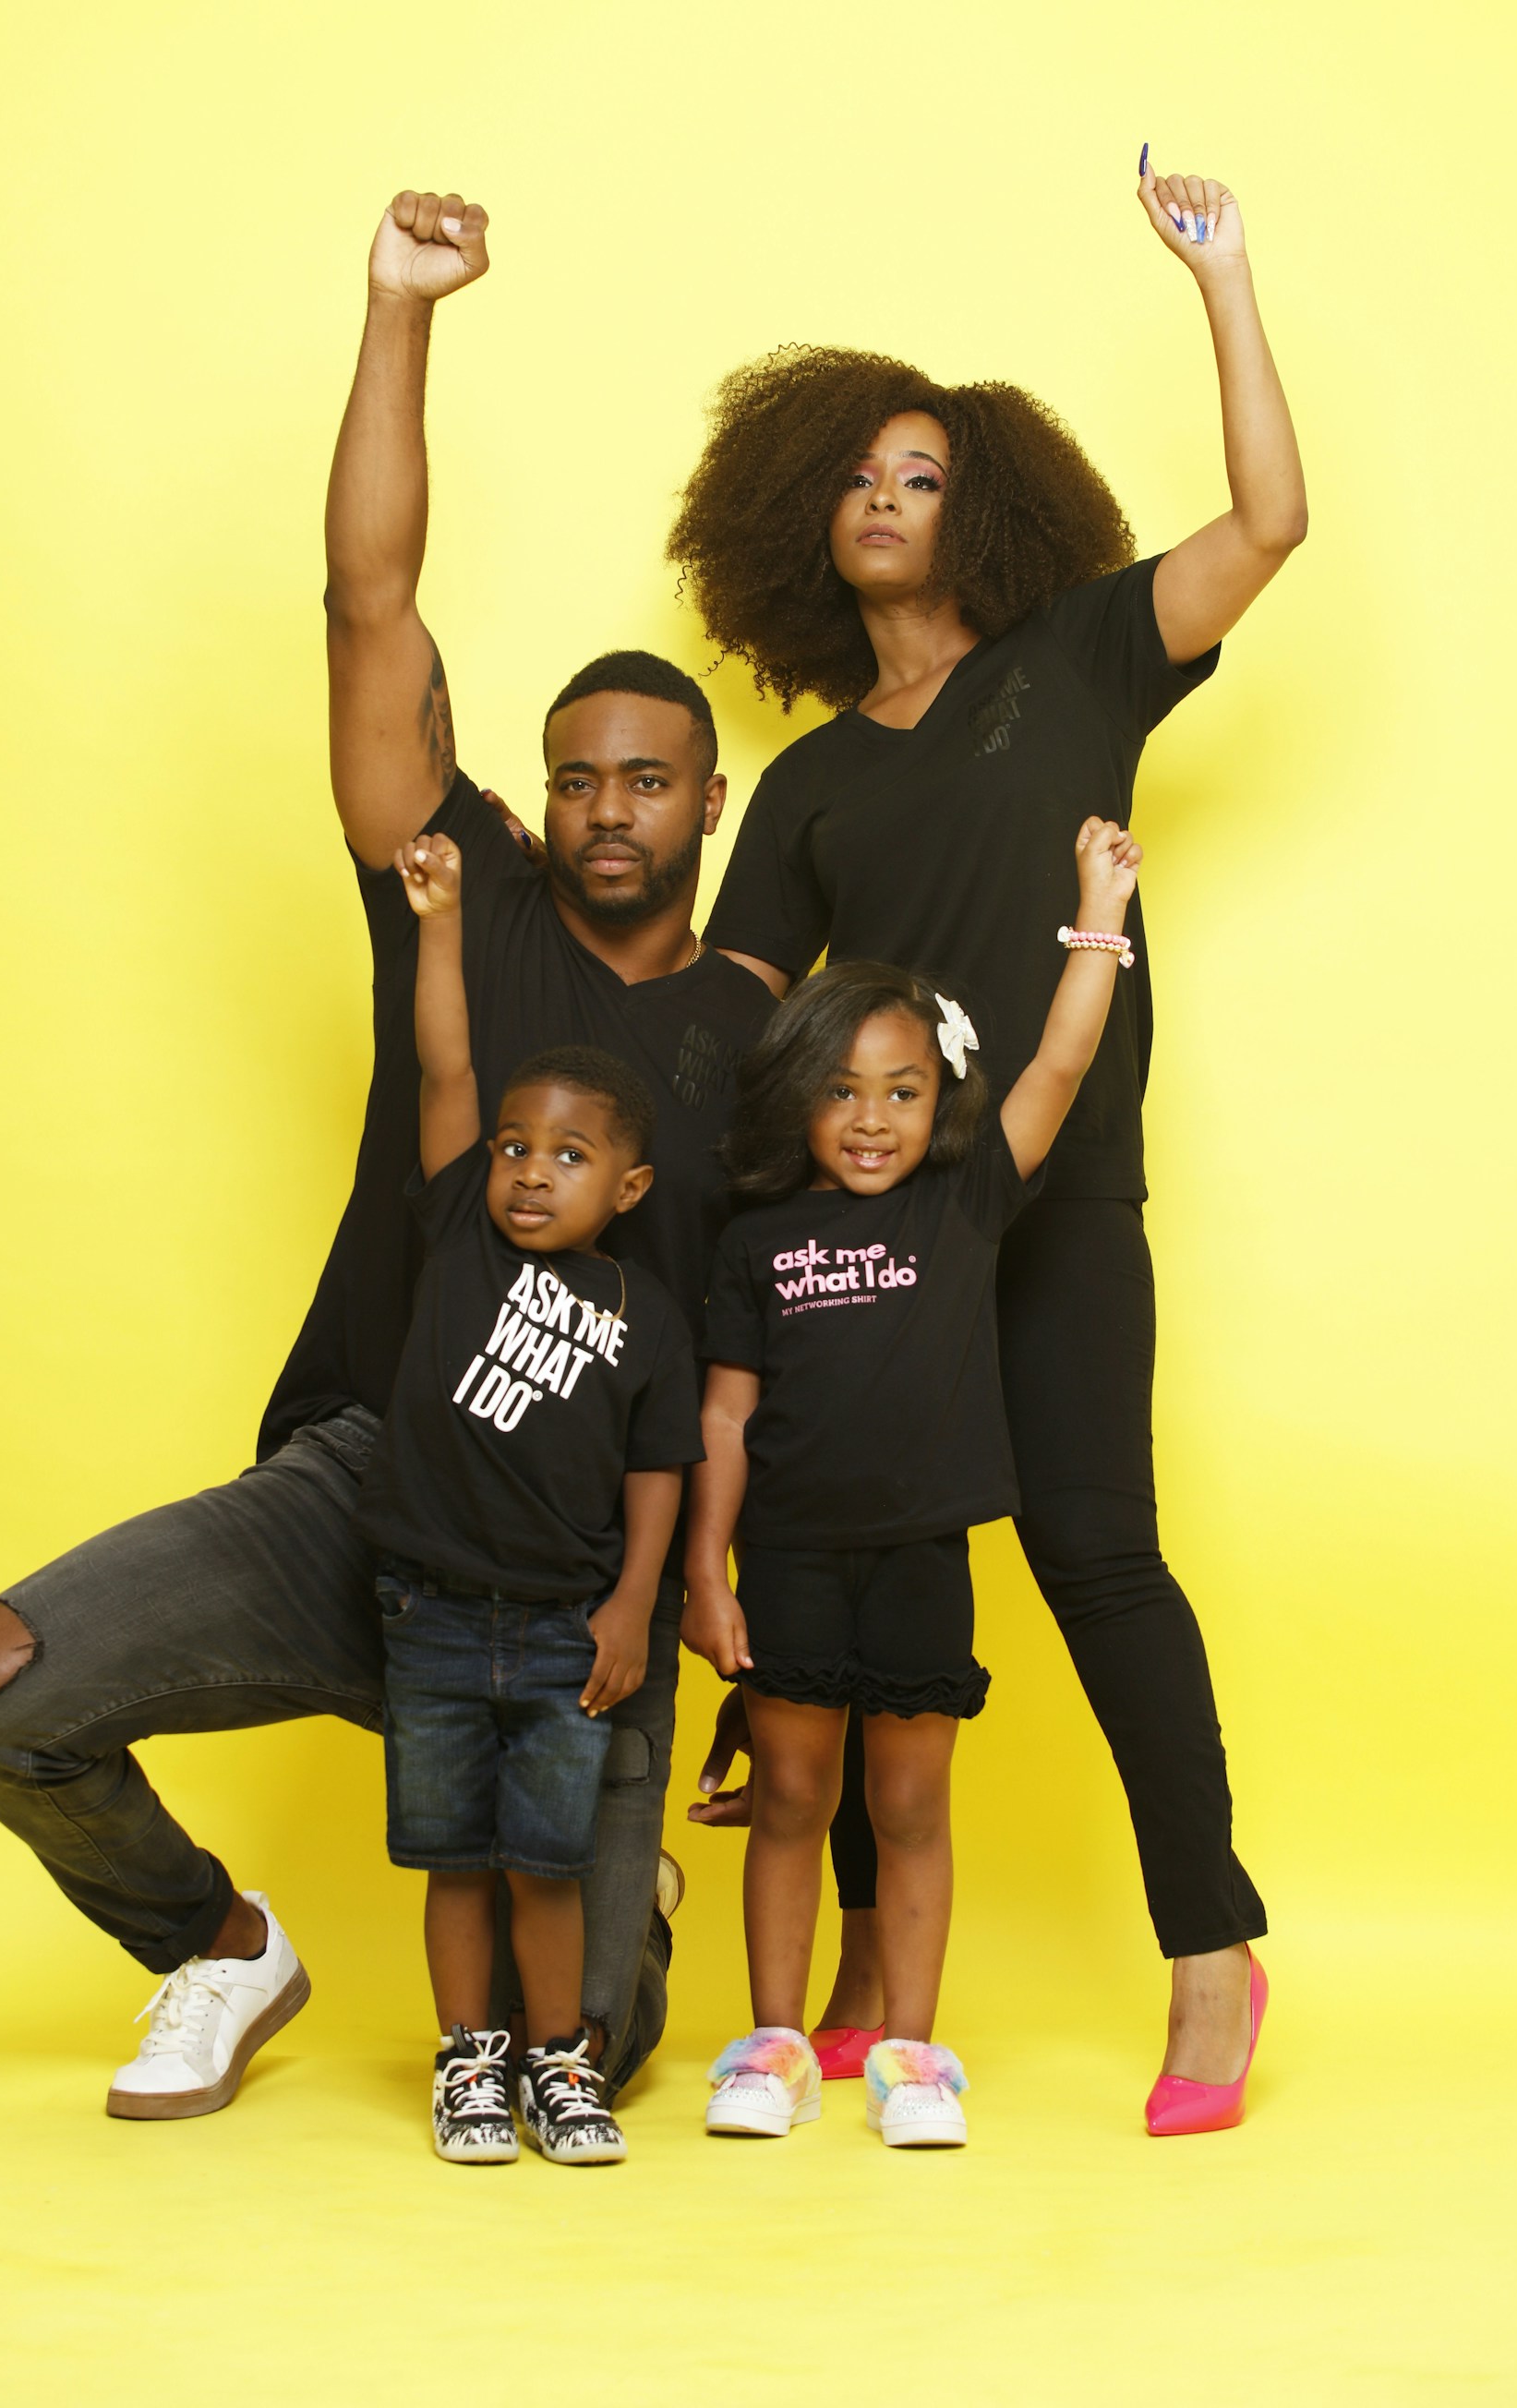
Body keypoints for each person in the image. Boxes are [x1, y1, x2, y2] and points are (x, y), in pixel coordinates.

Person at [0, 188, 772, 2119]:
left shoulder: (755, 1026)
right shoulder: (466, 896)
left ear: (710, 804)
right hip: (369, 1488)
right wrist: (401, 308)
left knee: (590, 2051)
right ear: (537, 792)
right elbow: (370, 608)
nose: (608, 810)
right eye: (577, 777)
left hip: (581, 1570)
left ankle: (616, 1892)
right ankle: (218, 1948)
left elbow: (760, 1349)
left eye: (649, 782)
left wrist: (744, 1627)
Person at [672, 158, 1304, 2133]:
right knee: (862, 1550)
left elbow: (1270, 524)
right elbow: (725, 1022)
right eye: (858, 475)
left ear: (983, 509)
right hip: (878, 1230)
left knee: (1094, 1550)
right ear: (806, 516)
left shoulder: (1082, 659)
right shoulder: (808, 780)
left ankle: (1209, 1951)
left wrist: (1223, 277)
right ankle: (871, 1961)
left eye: (924, 475)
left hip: (1057, 1186)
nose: (885, 497)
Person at [687, 818, 1159, 2150]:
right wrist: (706, 1573)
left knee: (906, 1807)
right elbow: (725, 1415)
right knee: (790, 1801)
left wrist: (1100, 911)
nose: (872, 1119)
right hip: (787, 1560)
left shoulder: (965, 1199)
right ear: (798, 1098)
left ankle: (911, 2056)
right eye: (842, 1092)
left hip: (919, 1560)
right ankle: (774, 2047)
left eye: (901, 1091)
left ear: (940, 1096)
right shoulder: (758, 1238)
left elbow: (1062, 1059)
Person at [364, 830, 702, 2162]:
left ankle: (559, 2065)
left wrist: (632, 1605)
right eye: (515, 1146)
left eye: (567, 1156)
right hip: (433, 1614)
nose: (527, 1171)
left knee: (545, 1864)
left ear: (628, 1188)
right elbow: (446, 1065)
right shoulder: (458, 1227)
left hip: (569, 1626)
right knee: (456, 1860)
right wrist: (441, 920)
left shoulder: (646, 1314)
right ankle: (469, 2063)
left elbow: (659, 1469)